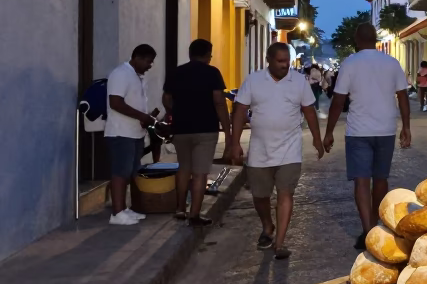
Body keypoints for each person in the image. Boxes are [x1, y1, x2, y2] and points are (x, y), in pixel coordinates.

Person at [230, 42, 324, 260]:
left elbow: (309, 111)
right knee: (260, 196)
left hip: (289, 150)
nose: (285, 65)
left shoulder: (298, 81)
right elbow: (240, 110)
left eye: (287, 61)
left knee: (285, 193)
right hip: (259, 150)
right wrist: (234, 143)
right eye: (280, 61)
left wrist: (317, 140)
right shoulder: (253, 80)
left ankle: (279, 243)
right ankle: (267, 225)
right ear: (268, 60)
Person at [324, 23, 412, 251]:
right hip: (386, 129)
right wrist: (406, 127)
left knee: (361, 181)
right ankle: (376, 226)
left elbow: (338, 101)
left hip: (358, 131)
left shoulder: (350, 63)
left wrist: (329, 132)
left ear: (356, 39)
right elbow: (403, 96)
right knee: (380, 179)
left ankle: (368, 229)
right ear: (375, 39)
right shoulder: (391, 63)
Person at [162, 38, 231, 227]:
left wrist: (175, 111)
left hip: (181, 128)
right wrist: (227, 129)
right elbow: (219, 102)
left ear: (190, 53)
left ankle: (179, 209)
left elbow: (166, 99)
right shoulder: (212, 73)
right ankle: (194, 214)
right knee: (200, 173)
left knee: (184, 168)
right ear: (208, 54)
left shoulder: (176, 72)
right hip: (206, 129)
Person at [105, 44, 158, 225]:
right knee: (120, 172)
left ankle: (124, 208)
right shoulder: (121, 74)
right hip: (121, 132)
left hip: (135, 132)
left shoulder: (137, 76)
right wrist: (142, 116)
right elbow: (115, 103)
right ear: (138, 58)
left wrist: (146, 118)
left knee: (130, 171)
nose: (150, 65)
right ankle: (116, 213)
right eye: (148, 61)